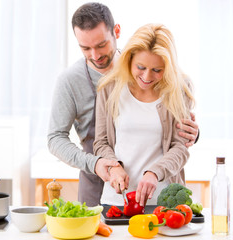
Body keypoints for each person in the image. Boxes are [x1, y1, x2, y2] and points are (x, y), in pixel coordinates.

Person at [47, 2, 199, 207]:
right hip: (98, 184)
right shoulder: (75, 82)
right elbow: (56, 138)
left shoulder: (150, 66)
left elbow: (174, 139)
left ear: (117, 32)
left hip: (158, 192)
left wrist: (192, 134)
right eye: (85, 48)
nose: (95, 55)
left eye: (101, 45)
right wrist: (98, 163)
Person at [94, 23, 195, 207]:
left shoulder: (180, 89)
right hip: (116, 200)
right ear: (129, 59)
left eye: (157, 70)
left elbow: (180, 147)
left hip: (163, 202)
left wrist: (154, 172)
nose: (147, 77)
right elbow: (101, 142)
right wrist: (114, 166)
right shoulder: (109, 87)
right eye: (140, 67)